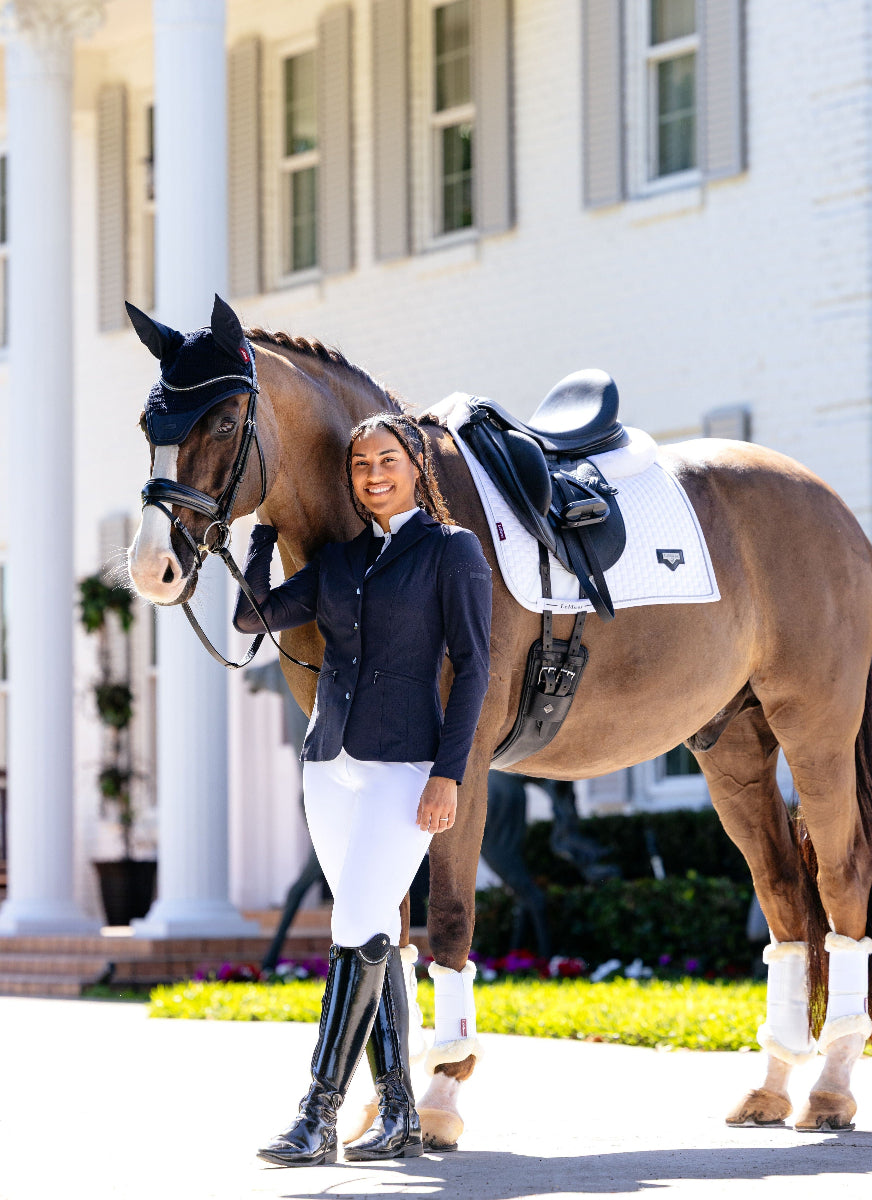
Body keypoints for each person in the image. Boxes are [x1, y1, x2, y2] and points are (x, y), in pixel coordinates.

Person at [233, 411, 492, 1167]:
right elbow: (255, 616)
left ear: (416, 464)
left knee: (354, 925)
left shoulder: (453, 551)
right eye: (358, 465)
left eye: (386, 459)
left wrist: (448, 772)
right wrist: (254, 545)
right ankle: (403, 1116)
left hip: (405, 766)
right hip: (328, 764)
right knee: (373, 930)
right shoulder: (341, 561)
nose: (371, 474)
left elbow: (474, 668)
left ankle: (317, 1113)